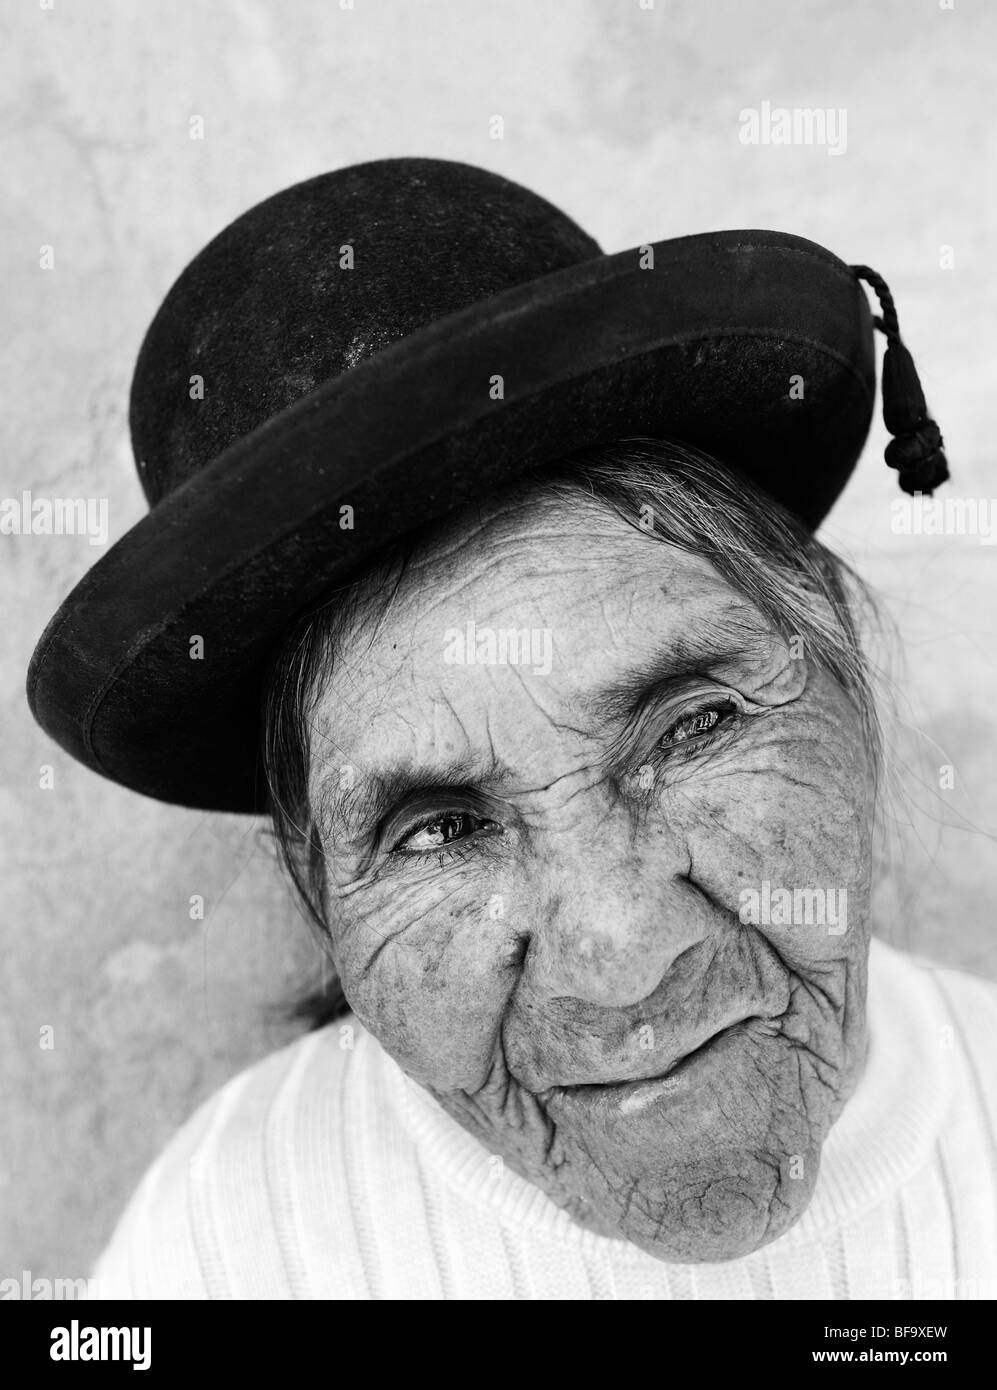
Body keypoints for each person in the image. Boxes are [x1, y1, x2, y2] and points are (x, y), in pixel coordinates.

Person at [28, 158, 995, 1299]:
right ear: (316, 884)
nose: (624, 962)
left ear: (840, 668)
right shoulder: (227, 1240)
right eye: (438, 830)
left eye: (690, 727)